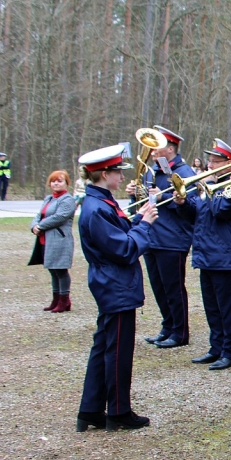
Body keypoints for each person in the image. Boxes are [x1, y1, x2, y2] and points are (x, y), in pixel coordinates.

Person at [75, 145, 158, 431]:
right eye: (116, 173)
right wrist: (145, 226)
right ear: (103, 174)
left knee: (104, 347)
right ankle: (118, 411)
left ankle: (91, 409)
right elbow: (124, 249)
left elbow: (119, 234)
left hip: (112, 283)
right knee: (118, 350)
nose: (121, 178)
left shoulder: (102, 202)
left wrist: (138, 219)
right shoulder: (97, 208)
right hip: (115, 285)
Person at [177, 139, 231, 371]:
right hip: (205, 253)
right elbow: (195, 214)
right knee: (211, 306)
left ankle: (229, 350)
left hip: (224, 254)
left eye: (215, 161)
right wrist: (183, 203)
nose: (209, 165)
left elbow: (221, 211)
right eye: (210, 161)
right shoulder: (207, 187)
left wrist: (210, 187)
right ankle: (215, 347)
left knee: (226, 307)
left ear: (228, 164)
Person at [125, 126, 195, 349]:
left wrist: (163, 195)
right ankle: (168, 326)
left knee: (173, 287)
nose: (153, 151)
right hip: (152, 236)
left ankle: (180, 331)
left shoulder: (184, 172)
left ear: (171, 148)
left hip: (173, 238)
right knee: (158, 287)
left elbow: (191, 205)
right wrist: (134, 194)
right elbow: (142, 203)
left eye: (158, 146)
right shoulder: (150, 170)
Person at [31, 170, 78, 313]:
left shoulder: (68, 200)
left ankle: (64, 300)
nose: (56, 183)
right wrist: (34, 226)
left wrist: (40, 226)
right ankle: (56, 299)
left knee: (61, 270)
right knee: (52, 270)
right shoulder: (48, 199)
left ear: (66, 183)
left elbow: (60, 217)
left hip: (60, 239)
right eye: (53, 181)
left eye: (60, 181)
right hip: (46, 239)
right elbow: (39, 215)